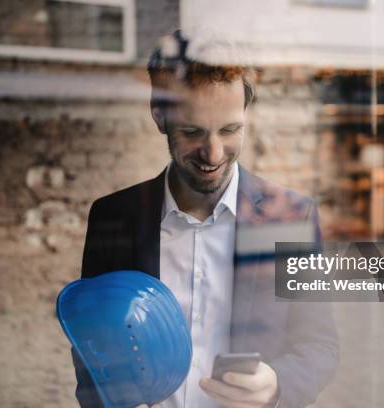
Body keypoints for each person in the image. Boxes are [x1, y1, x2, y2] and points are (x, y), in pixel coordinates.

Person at [72, 30, 338, 408]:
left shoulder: (293, 216)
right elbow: (90, 346)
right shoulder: (112, 216)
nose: (213, 154)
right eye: (192, 131)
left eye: (230, 130)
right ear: (159, 115)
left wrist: (277, 384)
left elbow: (319, 344)